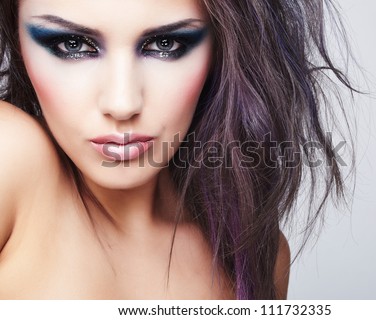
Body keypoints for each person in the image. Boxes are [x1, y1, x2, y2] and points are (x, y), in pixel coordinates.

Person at [0, 0, 356, 299]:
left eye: (166, 44)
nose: (123, 104)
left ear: (220, 47)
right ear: (16, 38)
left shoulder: (258, 257)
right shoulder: (11, 154)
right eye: (73, 45)